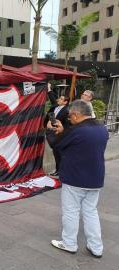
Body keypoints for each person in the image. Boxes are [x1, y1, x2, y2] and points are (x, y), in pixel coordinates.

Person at [48, 100, 108, 258]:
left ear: (75, 114)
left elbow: (57, 145)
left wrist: (51, 131)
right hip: (95, 178)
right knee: (91, 212)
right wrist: (64, 131)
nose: (69, 120)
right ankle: (96, 247)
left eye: (70, 117)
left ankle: (69, 243)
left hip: (75, 179)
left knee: (71, 212)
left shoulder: (77, 131)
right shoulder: (102, 128)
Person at [44, 83, 70, 176]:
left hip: (59, 134)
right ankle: (58, 170)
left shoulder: (67, 111)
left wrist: (58, 128)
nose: (59, 99)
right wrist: (49, 89)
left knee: (58, 152)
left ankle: (60, 170)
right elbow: (52, 98)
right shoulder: (55, 106)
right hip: (50, 132)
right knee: (55, 151)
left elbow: (67, 125)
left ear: (65, 102)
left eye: (61, 99)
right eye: (59, 98)